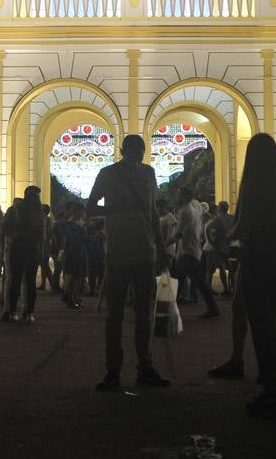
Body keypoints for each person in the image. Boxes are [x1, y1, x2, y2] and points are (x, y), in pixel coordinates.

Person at [86, 135, 170, 391]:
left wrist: (160, 248)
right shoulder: (109, 173)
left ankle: (131, 369)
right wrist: (117, 210)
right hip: (123, 252)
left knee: (133, 315)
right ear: (124, 151)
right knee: (124, 315)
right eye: (135, 150)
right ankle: (123, 369)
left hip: (140, 251)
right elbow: (91, 208)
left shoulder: (147, 173)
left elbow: (152, 212)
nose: (138, 154)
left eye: (140, 150)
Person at [231, 134, 276, 416]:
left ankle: (271, 390)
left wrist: (227, 237)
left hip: (256, 259)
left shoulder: (253, 186)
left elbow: (244, 228)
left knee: (259, 326)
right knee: (274, 326)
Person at [168, 186, 220, 318]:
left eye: (179, 194)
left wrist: (164, 244)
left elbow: (178, 234)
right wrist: (200, 230)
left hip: (187, 251)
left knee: (182, 279)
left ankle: (169, 307)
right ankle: (171, 306)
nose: (177, 197)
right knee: (186, 279)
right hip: (194, 249)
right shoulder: (196, 204)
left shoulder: (185, 211)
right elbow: (208, 215)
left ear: (184, 196)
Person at [4, 186, 44, 323]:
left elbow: (6, 228)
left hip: (18, 247)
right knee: (30, 282)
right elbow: (41, 235)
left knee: (16, 280)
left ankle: (13, 311)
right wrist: (41, 251)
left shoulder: (17, 209)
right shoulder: (38, 212)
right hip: (30, 249)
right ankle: (28, 312)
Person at [61, 203, 88, 309]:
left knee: (73, 276)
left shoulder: (70, 223)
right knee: (75, 276)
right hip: (75, 252)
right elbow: (79, 239)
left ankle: (72, 297)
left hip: (73, 252)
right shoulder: (75, 224)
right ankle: (71, 298)